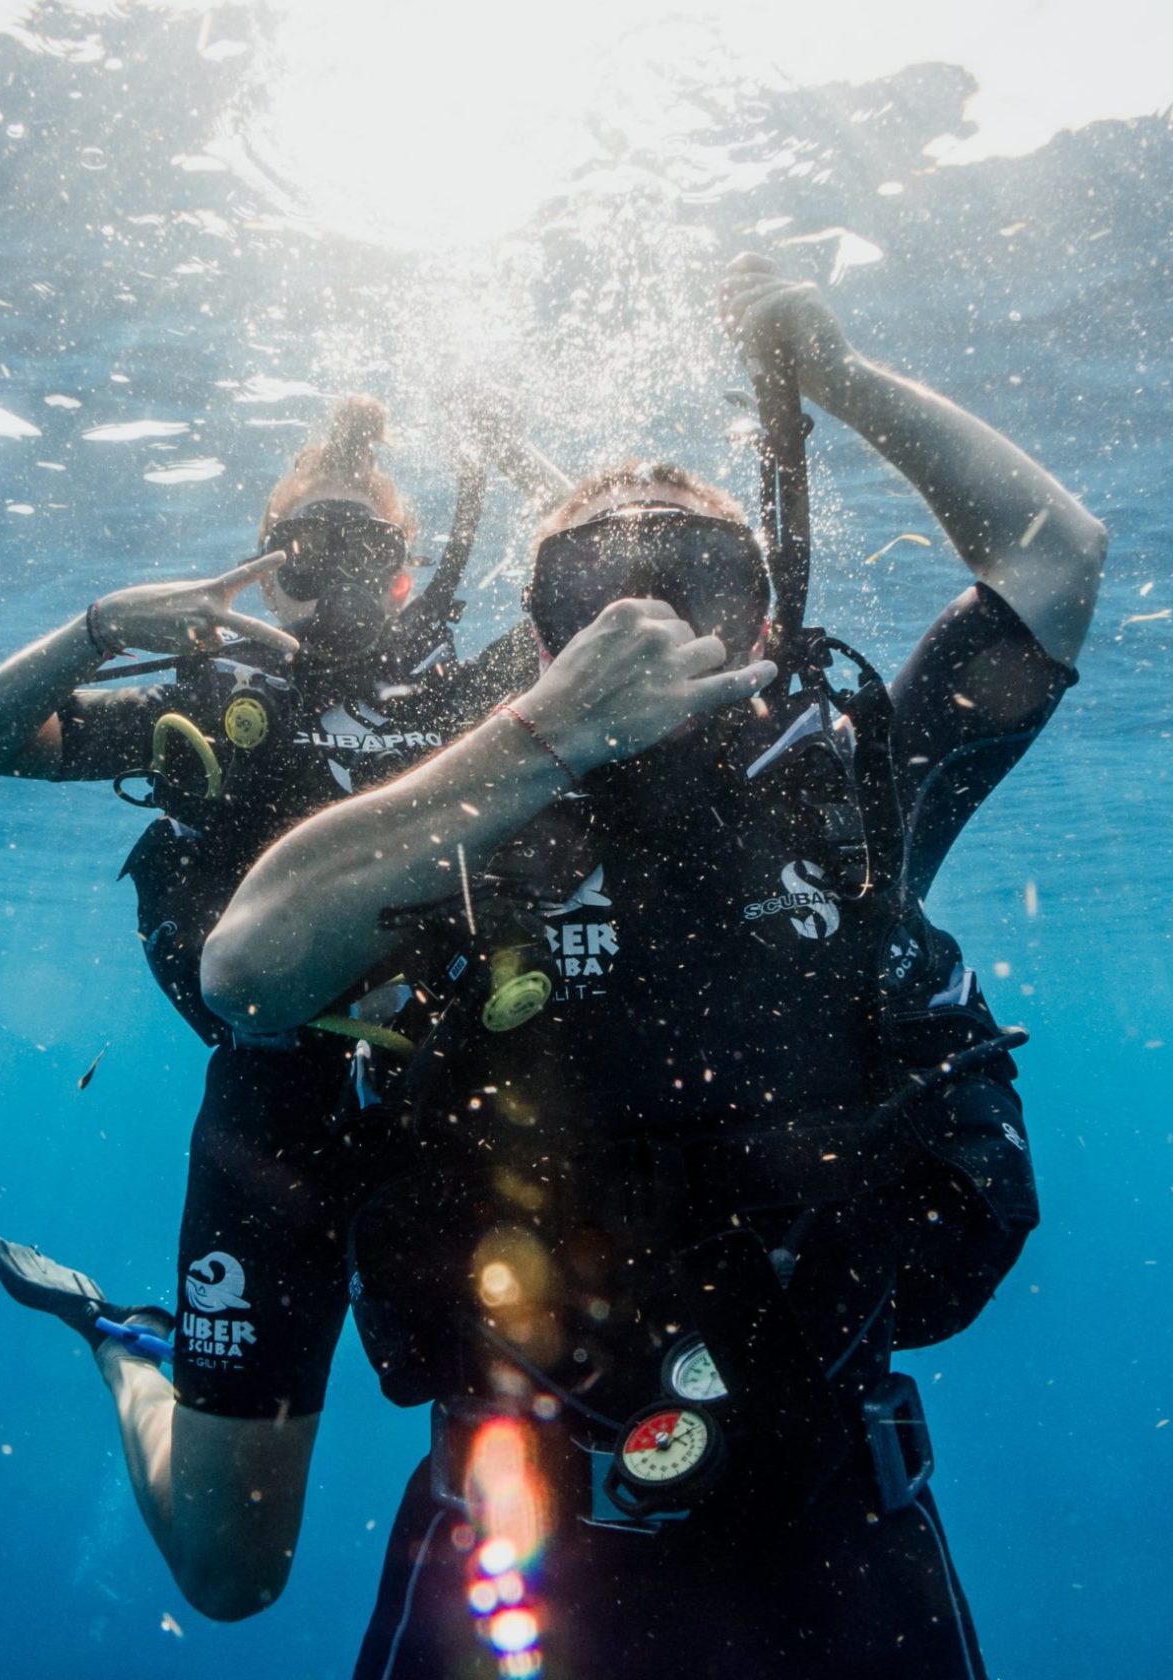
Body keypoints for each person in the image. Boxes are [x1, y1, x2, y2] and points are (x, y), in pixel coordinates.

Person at [199, 253, 1108, 1676]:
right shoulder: (460, 812)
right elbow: (247, 972)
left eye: (701, 576)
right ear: (539, 634)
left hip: (841, 1548)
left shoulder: (845, 796)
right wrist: (541, 741)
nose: (651, 619)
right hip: (509, 1550)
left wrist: (843, 380)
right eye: (597, 587)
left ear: (766, 616)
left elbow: (1056, 558)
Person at [0, 395, 568, 1619]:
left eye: (363, 552)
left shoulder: (477, 699)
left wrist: (527, 463)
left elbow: (628, 605)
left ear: (406, 574)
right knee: (229, 1577)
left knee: (558, 1452)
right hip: (272, 1126)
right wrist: (99, 629)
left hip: (463, 1111)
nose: (334, 582)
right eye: (302, 554)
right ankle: (133, 1346)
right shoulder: (211, 711)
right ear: (265, 578)